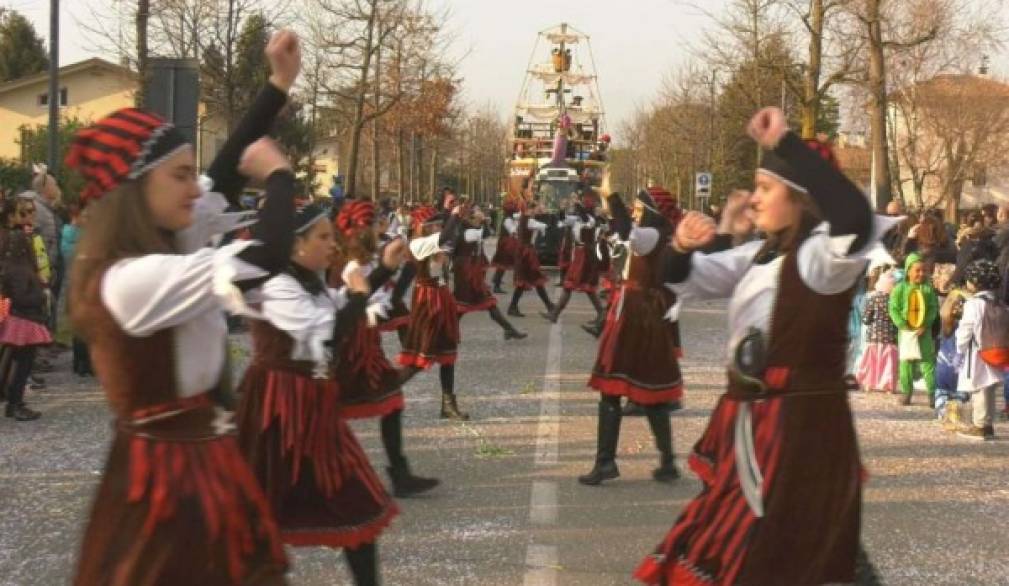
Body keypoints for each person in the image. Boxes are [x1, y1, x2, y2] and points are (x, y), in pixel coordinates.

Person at [67, 29, 303, 585]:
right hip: (165, 482)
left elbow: (218, 174)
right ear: (134, 191)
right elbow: (265, 255)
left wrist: (277, 85)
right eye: (177, 176)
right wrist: (280, 177)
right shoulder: (129, 279)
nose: (193, 190)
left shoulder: (165, 240)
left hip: (200, 459)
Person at [636, 107, 884, 585]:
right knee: (785, 543)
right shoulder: (761, 254)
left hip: (798, 426)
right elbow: (680, 279)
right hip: (759, 422)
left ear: (802, 200)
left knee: (760, 548)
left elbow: (853, 216)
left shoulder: (823, 259)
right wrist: (684, 247)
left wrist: (786, 143)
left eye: (766, 189)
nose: (753, 199)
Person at [236, 202, 401, 585]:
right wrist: (361, 296)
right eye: (323, 237)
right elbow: (328, 332)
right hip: (276, 406)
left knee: (356, 502)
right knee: (259, 509)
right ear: (295, 245)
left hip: (312, 403)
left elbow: (343, 309)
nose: (332, 244)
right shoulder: (278, 286)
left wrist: (385, 271)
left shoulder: (309, 283)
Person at [578, 179, 686, 486]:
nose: (634, 213)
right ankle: (667, 463)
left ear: (651, 212)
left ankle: (606, 463)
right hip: (643, 313)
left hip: (636, 314)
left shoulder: (652, 234)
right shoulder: (660, 234)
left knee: (611, 386)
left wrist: (610, 194)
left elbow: (626, 231)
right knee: (650, 393)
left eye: (639, 208)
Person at [330, 198, 440, 497]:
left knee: (391, 402)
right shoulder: (351, 266)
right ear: (360, 230)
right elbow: (360, 299)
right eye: (374, 222)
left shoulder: (370, 259)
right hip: (349, 349)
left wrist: (400, 270)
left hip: (367, 345)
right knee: (330, 410)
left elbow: (388, 295)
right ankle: (326, 474)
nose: (381, 226)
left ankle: (400, 474)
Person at [397, 205, 470, 420]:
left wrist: (458, 219)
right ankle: (386, 390)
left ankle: (448, 404)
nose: (439, 226)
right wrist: (454, 216)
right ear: (423, 226)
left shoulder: (433, 241)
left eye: (440, 223)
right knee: (421, 355)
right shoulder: (419, 244)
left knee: (447, 353)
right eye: (435, 223)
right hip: (428, 301)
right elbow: (445, 237)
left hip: (441, 297)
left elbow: (450, 240)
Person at [451, 205, 527, 340]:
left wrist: (483, 221)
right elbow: (484, 233)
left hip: (471, 272)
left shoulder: (471, 228)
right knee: (462, 304)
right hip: (466, 272)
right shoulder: (466, 231)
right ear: (471, 215)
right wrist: (484, 221)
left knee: (486, 303)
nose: (482, 212)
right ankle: (449, 334)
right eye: (479, 211)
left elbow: (485, 233)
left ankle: (509, 329)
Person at [0, 228, 51, 420]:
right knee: (23, 365)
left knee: (14, 362)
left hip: (18, 319)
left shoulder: (9, 266)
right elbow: (20, 297)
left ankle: (13, 402)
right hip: (23, 320)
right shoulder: (20, 269)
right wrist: (41, 295)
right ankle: (15, 404)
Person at [954, 260, 1002, 440]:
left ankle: (979, 425)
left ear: (975, 282)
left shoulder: (973, 304)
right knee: (989, 388)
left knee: (979, 388)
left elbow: (966, 329)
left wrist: (959, 349)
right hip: (996, 350)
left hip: (977, 352)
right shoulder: (999, 303)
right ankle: (988, 424)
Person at [542, 192, 606, 325]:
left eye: (583, 205)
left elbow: (586, 220)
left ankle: (555, 314)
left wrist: (578, 205)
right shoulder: (578, 219)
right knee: (575, 285)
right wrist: (561, 209)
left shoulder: (592, 219)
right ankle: (600, 313)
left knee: (575, 285)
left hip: (586, 255)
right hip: (579, 253)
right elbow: (562, 220)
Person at [889, 252, 939, 407]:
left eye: (923, 270)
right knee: (906, 364)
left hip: (923, 332)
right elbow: (893, 309)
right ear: (908, 270)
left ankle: (932, 394)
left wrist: (925, 325)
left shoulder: (928, 289)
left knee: (927, 364)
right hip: (906, 333)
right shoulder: (899, 289)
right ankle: (907, 392)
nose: (921, 273)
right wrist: (903, 325)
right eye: (917, 270)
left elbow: (933, 309)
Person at [507, 200, 555, 317]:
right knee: (534, 278)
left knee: (525, 280)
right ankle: (549, 305)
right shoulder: (530, 221)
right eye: (536, 208)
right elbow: (546, 226)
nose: (538, 211)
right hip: (527, 253)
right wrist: (547, 214)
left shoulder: (523, 217)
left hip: (523, 251)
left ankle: (513, 306)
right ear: (531, 209)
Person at [61, 203, 92, 376]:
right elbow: (69, 256)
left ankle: (86, 362)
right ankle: (80, 362)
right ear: (76, 217)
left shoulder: (84, 234)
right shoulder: (68, 234)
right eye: (85, 217)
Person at [857, 267, 899, 393]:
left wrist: (867, 321)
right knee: (888, 362)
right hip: (889, 335)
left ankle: (869, 384)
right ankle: (888, 386)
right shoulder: (893, 299)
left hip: (874, 334)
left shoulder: (873, 298)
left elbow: (866, 316)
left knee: (872, 360)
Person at [490, 198, 520, 294]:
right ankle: (497, 285)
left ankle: (496, 280)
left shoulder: (508, 218)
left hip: (505, 242)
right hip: (507, 243)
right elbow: (513, 231)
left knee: (502, 263)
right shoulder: (508, 220)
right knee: (503, 264)